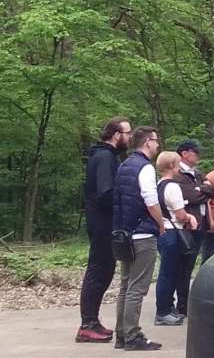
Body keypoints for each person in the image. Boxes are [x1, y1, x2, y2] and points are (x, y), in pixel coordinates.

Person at [76, 116, 132, 343]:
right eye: (128, 133)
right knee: (99, 269)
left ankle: (93, 321)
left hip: (104, 222)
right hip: (102, 223)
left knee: (105, 270)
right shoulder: (104, 157)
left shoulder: (107, 156)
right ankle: (87, 324)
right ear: (116, 135)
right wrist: (124, 206)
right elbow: (105, 193)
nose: (130, 137)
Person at [113, 126, 165, 351]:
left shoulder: (124, 165)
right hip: (142, 234)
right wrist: (161, 224)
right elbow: (150, 199)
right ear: (147, 142)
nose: (157, 145)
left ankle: (122, 334)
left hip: (124, 234)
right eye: (155, 141)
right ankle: (133, 335)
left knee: (126, 285)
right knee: (137, 287)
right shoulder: (144, 168)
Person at [154, 152, 197, 327]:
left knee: (168, 272)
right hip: (173, 233)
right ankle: (163, 311)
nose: (179, 167)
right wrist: (189, 218)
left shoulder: (158, 185)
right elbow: (179, 214)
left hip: (163, 232)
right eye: (178, 164)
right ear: (172, 166)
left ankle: (167, 308)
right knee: (168, 273)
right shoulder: (172, 187)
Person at [172, 139, 214, 317]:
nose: (198, 155)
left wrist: (201, 190)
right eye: (195, 152)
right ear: (185, 153)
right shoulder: (178, 174)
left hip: (201, 224)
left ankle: (184, 302)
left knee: (189, 266)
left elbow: (213, 191)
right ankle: (181, 304)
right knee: (182, 266)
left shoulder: (197, 173)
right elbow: (190, 195)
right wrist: (202, 191)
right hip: (187, 225)